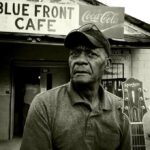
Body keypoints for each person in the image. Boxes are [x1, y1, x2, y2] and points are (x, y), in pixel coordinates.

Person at [20, 23, 131, 150]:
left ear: (107, 64)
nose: (80, 60)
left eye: (91, 54)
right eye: (75, 53)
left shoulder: (121, 110)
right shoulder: (45, 105)